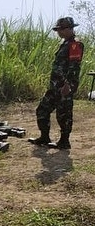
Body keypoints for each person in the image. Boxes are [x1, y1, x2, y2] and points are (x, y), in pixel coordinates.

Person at [28, 17, 84, 150]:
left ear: (70, 29)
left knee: (63, 114)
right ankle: (44, 137)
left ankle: (64, 142)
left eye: (61, 29)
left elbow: (74, 67)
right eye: (58, 30)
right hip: (55, 86)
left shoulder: (75, 45)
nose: (59, 32)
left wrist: (67, 85)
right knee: (42, 109)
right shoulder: (65, 44)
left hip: (65, 87)